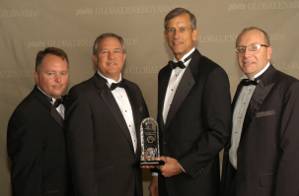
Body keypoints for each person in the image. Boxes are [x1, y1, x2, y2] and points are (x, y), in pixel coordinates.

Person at [148, 7, 231, 196]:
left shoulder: (213, 74)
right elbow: (163, 130)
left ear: (194, 33)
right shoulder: (163, 74)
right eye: (171, 30)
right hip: (164, 182)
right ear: (165, 35)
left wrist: (181, 165)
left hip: (195, 183)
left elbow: (219, 133)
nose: (176, 35)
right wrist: (155, 175)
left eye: (182, 29)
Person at [65, 33, 149, 196]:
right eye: (104, 52)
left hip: (134, 187)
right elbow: (80, 159)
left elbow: (146, 132)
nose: (111, 57)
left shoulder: (134, 90)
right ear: (95, 58)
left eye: (116, 51)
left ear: (124, 57)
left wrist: (148, 158)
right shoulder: (81, 94)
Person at [221, 26, 299, 196]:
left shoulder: (290, 88)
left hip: (266, 190)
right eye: (241, 49)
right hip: (234, 186)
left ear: (269, 52)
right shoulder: (241, 87)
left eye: (254, 47)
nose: (246, 54)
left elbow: (293, 153)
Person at [7, 47, 70, 196]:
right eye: (51, 73)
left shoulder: (70, 105)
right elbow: (25, 178)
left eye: (63, 73)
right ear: (36, 76)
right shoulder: (25, 115)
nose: (58, 80)